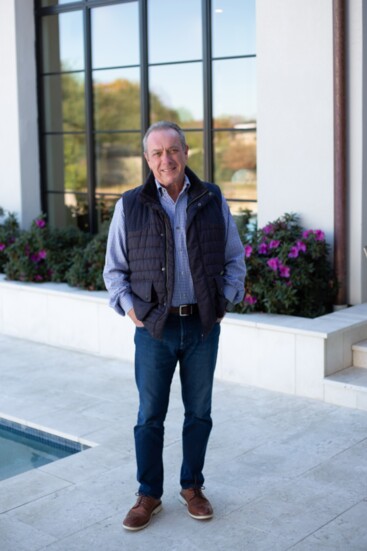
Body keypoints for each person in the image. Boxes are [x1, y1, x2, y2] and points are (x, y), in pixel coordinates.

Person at [103, 121, 246, 531]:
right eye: (156, 153)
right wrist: (133, 312)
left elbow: (235, 257)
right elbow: (114, 272)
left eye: (173, 150)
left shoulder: (211, 197)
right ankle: (148, 494)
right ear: (147, 160)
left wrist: (225, 300)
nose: (166, 159)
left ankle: (192, 487)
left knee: (199, 413)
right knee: (150, 415)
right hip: (154, 330)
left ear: (185, 152)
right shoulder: (129, 205)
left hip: (202, 326)